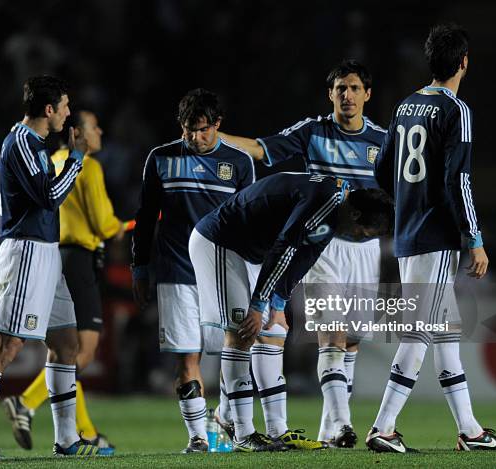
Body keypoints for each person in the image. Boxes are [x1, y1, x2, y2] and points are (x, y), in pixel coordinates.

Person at [219, 59, 386, 447]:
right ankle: (344, 424)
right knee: (332, 336)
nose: (347, 95)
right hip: (322, 244)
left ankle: (331, 428)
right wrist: (217, 138)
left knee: (354, 341)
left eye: (354, 88)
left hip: (366, 250)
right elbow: (262, 149)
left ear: (367, 95)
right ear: (330, 94)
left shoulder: (383, 140)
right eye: (340, 88)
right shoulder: (312, 132)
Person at [368, 24, 496, 453]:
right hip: (436, 236)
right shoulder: (456, 110)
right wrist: (475, 237)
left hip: (409, 232)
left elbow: (382, 169)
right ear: (464, 62)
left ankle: (469, 431)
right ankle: (383, 427)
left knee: (445, 332)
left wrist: (408, 203)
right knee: (419, 332)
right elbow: (458, 180)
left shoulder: (405, 105)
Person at [0, 76, 111, 456]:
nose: (69, 113)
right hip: (27, 252)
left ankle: (67, 439)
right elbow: (51, 196)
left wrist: (20, 213)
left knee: (66, 342)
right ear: (49, 109)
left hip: (45, 251)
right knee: (4, 346)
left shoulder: (32, 145)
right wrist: (76, 159)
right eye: (66, 106)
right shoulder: (22, 141)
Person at [189, 172, 394, 452]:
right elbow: (286, 246)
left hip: (250, 251)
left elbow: (305, 257)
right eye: (362, 233)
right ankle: (243, 433)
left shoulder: (337, 209)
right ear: (356, 214)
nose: (357, 238)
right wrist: (260, 304)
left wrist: (278, 303)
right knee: (242, 332)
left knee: (274, 330)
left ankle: (277, 431)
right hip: (220, 242)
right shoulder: (325, 201)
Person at [130, 88, 255, 453]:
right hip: (176, 271)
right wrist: (140, 266)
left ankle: (227, 418)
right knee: (188, 357)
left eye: (202, 129)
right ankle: (198, 438)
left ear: (217, 125)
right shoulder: (161, 158)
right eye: (187, 129)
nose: (194, 138)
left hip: (225, 273)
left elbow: (250, 222)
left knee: (235, 352)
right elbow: (144, 217)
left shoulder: (241, 163)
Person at [2, 110, 124, 453]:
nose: (100, 131)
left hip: (55, 256)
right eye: (95, 127)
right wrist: (116, 228)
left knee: (65, 348)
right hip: (80, 259)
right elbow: (101, 222)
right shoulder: (91, 167)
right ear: (78, 134)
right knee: (80, 354)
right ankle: (25, 402)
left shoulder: (50, 161)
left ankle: (85, 431)